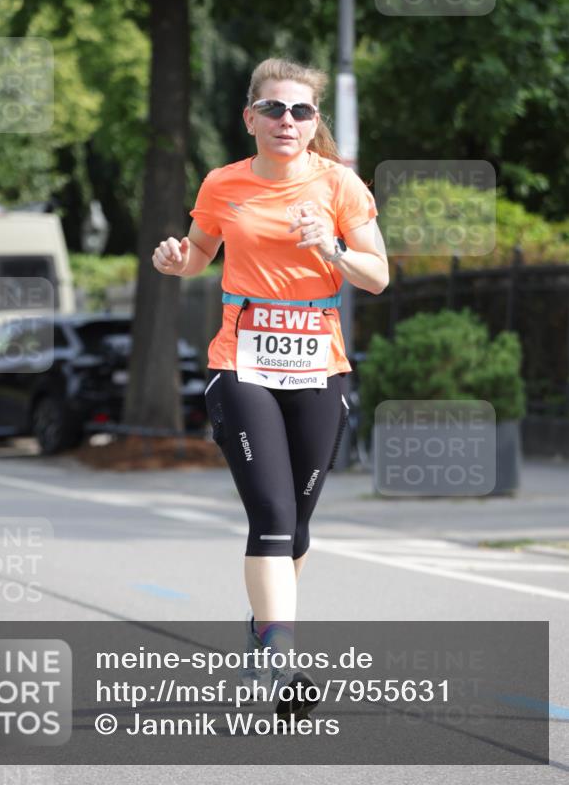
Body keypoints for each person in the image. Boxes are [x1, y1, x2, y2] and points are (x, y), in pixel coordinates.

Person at [152, 57, 388, 720]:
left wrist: (331, 248)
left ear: (315, 123)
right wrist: (176, 261)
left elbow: (376, 277)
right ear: (251, 117)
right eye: (275, 110)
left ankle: (261, 632)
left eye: (302, 111)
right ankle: (281, 659)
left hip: (318, 366)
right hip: (243, 362)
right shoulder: (223, 184)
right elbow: (199, 254)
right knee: (273, 519)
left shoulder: (339, 185)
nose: (288, 121)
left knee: (299, 525)